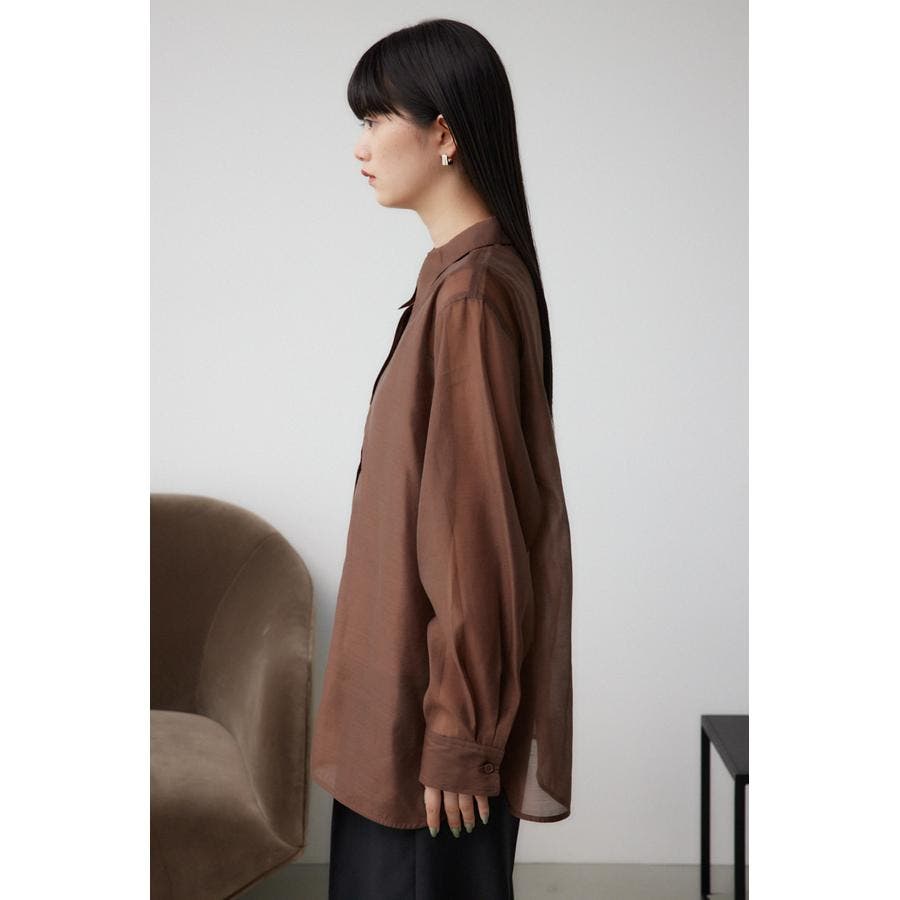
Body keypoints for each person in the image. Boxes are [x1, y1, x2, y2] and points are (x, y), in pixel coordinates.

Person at [310, 17, 574, 900]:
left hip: (428, 753)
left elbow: (476, 540)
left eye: (375, 119)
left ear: (444, 133)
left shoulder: (470, 295)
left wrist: (459, 739)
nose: (360, 148)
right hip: (407, 727)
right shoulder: (457, 279)